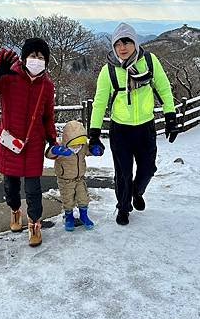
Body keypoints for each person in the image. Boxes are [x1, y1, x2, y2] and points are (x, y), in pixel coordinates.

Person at [88, 23, 179, 225]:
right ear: (113, 46)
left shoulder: (149, 62)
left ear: (135, 43)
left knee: (148, 169)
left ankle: (137, 192)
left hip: (146, 127)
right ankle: (123, 207)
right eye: (118, 43)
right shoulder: (108, 70)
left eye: (127, 41)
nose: (123, 47)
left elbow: (164, 90)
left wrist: (171, 117)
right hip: (120, 129)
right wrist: (93, 133)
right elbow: (100, 102)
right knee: (123, 173)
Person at [0, 38, 57, 247]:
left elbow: (48, 116)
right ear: (24, 57)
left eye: (40, 57)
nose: (36, 60)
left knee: (34, 189)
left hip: (34, 144)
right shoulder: (8, 76)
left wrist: (52, 140)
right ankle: (15, 210)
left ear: (46, 61)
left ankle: (34, 224)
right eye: (32, 56)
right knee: (11, 187)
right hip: (9, 143)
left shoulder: (47, 86)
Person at [45, 120, 103, 231]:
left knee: (83, 197)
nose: (77, 146)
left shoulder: (82, 147)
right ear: (67, 139)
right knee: (68, 199)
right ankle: (69, 217)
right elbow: (48, 153)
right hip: (65, 180)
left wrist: (96, 150)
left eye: (80, 142)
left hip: (80, 179)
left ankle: (84, 215)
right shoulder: (62, 147)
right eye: (75, 143)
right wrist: (57, 150)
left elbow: (89, 151)